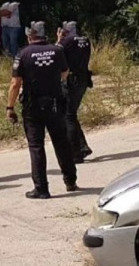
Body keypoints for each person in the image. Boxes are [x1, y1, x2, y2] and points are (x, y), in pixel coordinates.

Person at [6, 21, 78, 199]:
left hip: (33, 106)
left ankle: (41, 188)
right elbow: (64, 72)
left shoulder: (23, 53)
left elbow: (15, 83)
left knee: (36, 146)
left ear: (30, 35)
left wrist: (10, 107)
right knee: (61, 143)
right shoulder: (57, 50)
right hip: (54, 102)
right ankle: (70, 180)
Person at [57, 21, 93, 163]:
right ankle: (82, 146)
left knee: (68, 116)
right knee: (71, 114)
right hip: (83, 79)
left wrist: (59, 39)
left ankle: (76, 152)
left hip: (71, 81)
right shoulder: (86, 40)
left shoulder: (66, 42)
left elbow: (56, 53)